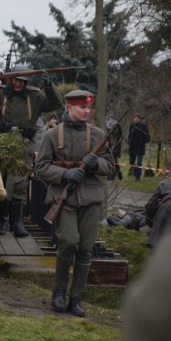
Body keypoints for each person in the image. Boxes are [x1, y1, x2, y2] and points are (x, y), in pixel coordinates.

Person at [36, 90, 112, 317]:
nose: (86, 111)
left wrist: (96, 163)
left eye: (88, 108)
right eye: (81, 107)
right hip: (63, 195)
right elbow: (41, 168)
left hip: (90, 196)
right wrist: (65, 175)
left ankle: (76, 298)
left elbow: (110, 166)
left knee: (86, 248)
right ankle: (59, 291)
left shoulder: (98, 134)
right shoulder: (52, 135)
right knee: (68, 242)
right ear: (69, 108)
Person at [0, 64, 64, 237]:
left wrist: (49, 85)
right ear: (9, 79)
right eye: (14, 80)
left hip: (23, 144)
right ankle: (1, 219)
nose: (17, 84)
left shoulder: (35, 96)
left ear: (26, 81)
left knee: (20, 183)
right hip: (2, 143)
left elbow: (56, 103)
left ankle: (17, 222)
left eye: (21, 81)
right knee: (1, 181)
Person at [143, 175, 171, 251]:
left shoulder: (164, 184)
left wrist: (150, 224)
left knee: (157, 248)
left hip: (166, 211)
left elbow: (151, 206)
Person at [127, 113, 150, 181]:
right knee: (131, 162)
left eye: (137, 118)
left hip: (140, 147)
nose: (136, 119)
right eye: (135, 118)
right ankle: (135, 171)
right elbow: (129, 135)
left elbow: (148, 137)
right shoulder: (132, 126)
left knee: (139, 162)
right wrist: (129, 141)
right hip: (132, 147)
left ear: (139, 119)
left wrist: (142, 142)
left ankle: (138, 177)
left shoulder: (143, 126)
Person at [105, 113, 123, 181]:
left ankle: (111, 176)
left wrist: (115, 146)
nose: (110, 120)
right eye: (109, 119)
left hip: (115, 147)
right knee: (114, 162)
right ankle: (119, 174)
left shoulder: (117, 127)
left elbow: (119, 138)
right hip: (108, 147)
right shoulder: (106, 127)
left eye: (112, 119)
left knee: (112, 161)